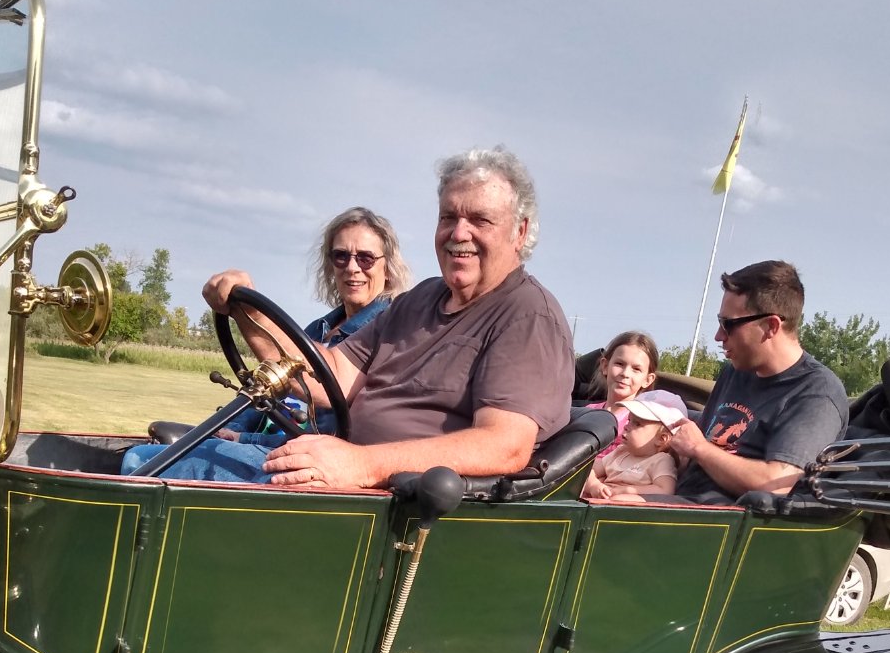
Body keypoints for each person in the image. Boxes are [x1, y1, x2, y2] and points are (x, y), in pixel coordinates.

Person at [193, 146, 574, 492]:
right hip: (342, 473)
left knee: (178, 471)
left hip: (395, 498)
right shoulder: (421, 298)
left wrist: (362, 464)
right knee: (176, 455)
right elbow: (331, 379)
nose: (459, 233)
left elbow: (503, 446)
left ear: (519, 231)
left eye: (480, 219)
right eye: (448, 217)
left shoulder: (528, 315)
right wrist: (251, 313)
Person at [121, 208, 410, 478]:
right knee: (145, 453)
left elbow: (326, 434)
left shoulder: (387, 335)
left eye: (365, 258)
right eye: (341, 256)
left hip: (309, 464)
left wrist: (244, 439)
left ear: (387, 268)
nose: (352, 267)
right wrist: (228, 430)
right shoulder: (317, 331)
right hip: (271, 446)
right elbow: (265, 390)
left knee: (138, 460)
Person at [669, 260, 848, 505]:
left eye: (728, 324)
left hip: (725, 520)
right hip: (681, 501)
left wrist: (698, 448)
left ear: (770, 326)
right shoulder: (735, 372)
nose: (718, 336)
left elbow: (776, 484)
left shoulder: (817, 392)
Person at [585, 330, 688, 456]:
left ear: (648, 379)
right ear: (605, 366)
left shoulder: (644, 424)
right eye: (619, 364)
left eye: (636, 369)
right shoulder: (586, 412)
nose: (625, 373)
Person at [582, 397, 684, 503]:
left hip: (627, 505)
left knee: (618, 500)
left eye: (637, 424)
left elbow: (665, 490)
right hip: (600, 501)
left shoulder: (661, 460)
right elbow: (587, 470)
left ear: (661, 439)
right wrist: (594, 485)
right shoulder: (620, 452)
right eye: (629, 420)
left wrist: (627, 491)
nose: (626, 426)